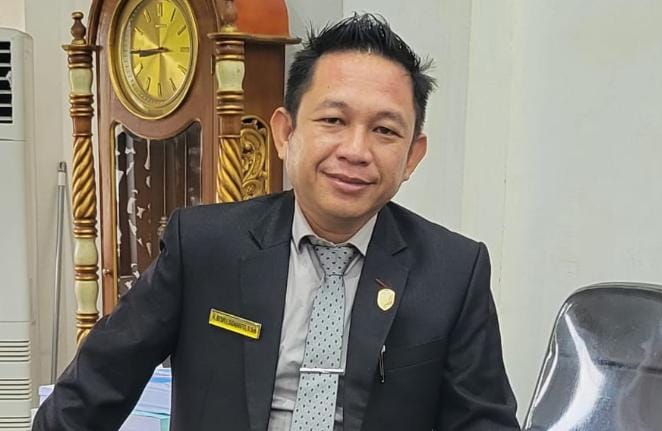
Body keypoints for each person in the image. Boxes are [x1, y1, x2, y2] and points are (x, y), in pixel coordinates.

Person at [34, 13, 519, 431]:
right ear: (285, 133)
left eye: (385, 130)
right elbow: (93, 389)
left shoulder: (454, 272)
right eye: (333, 120)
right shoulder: (203, 246)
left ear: (413, 155)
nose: (355, 151)